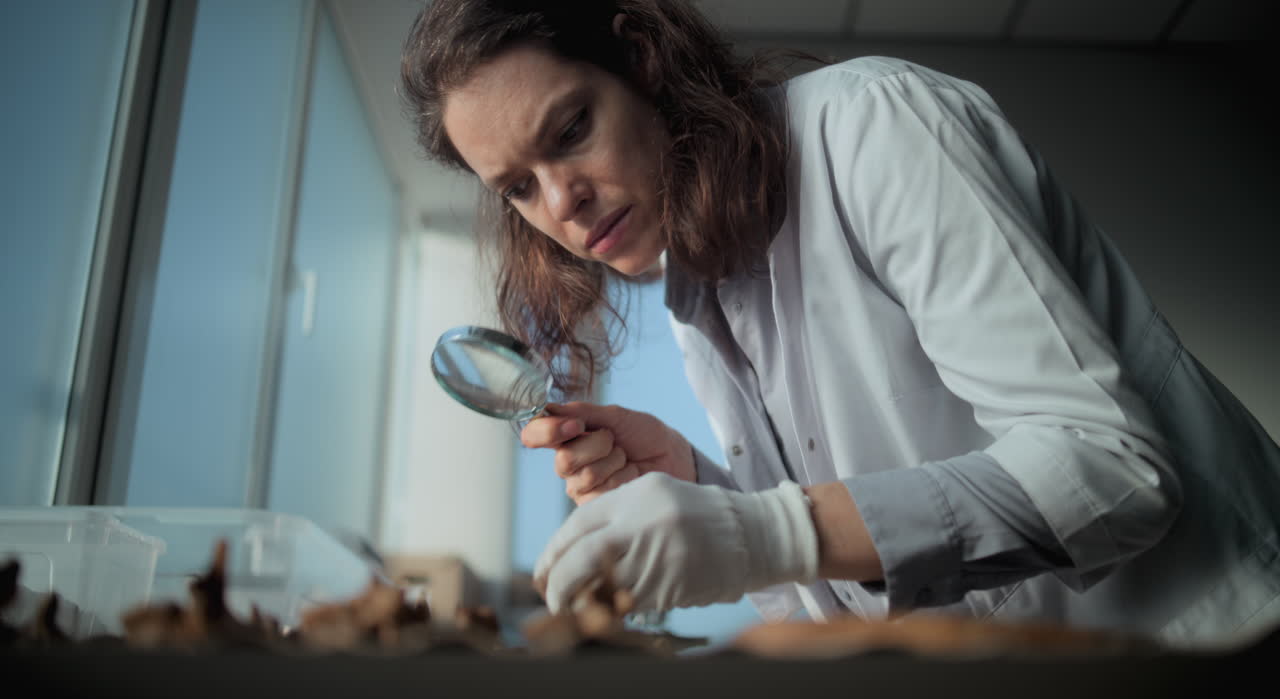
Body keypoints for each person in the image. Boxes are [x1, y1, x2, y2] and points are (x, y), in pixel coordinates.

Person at [400, 0, 1280, 649]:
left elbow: (1111, 472)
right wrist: (713, 496)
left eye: (571, 130)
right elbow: (843, 588)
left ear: (642, 62)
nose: (561, 201)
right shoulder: (695, 290)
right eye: (518, 186)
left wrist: (767, 531)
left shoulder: (873, 126)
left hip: (1220, 646)